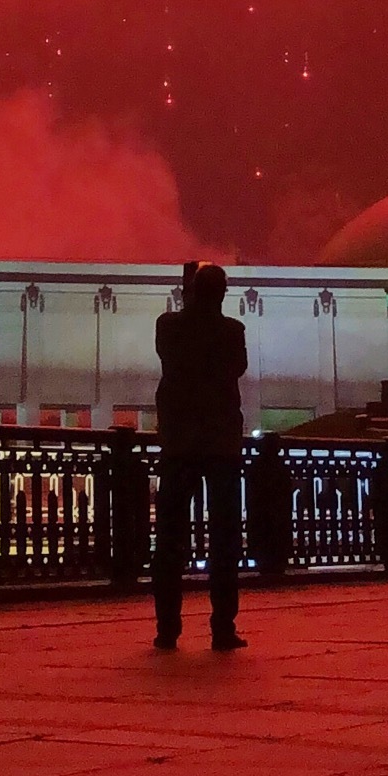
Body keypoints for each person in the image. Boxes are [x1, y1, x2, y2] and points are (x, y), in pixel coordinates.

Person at [151, 262, 248, 652]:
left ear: (190, 291)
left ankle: (167, 628)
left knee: (170, 537)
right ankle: (222, 627)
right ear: (222, 293)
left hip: (179, 443)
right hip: (220, 444)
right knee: (225, 538)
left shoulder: (169, 327)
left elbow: (169, 358)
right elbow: (235, 370)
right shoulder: (232, 332)